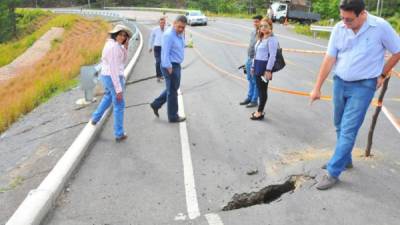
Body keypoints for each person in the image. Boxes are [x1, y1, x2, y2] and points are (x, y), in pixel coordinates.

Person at [310, 0, 400, 190]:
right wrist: (317, 87)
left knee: (349, 128)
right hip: (340, 82)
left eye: (349, 19)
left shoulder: (380, 27)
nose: (344, 23)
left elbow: (398, 50)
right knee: (339, 124)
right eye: (342, 17)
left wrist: (383, 73)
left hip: (364, 86)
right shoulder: (339, 28)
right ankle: (344, 159)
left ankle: (333, 172)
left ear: (362, 14)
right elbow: (330, 58)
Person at [91, 24, 132, 142]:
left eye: (125, 36)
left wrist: (125, 47)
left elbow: (123, 61)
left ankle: (95, 118)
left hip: (106, 76)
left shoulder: (113, 44)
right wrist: (118, 89)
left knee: (108, 97)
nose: (122, 37)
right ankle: (119, 133)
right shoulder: (114, 47)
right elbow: (114, 69)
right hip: (113, 77)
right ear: (115, 34)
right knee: (119, 104)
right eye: (120, 34)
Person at [150, 15, 188, 123]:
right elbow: (165, 53)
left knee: (172, 89)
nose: (181, 29)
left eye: (183, 27)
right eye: (179, 26)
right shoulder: (168, 35)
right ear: (174, 23)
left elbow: (180, 46)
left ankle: (156, 104)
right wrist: (168, 66)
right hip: (170, 66)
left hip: (176, 65)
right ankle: (173, 116)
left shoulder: (179, 34)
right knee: (172, 92)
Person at [250, 18, 278, 120]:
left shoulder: (272, 39)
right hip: (257, 65)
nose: (263, 28)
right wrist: (253, 66)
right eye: (261, 26)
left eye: (265, 26)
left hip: (264, 67)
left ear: (270, 26)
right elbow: (256, 53)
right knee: (259, 88)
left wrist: (268, 70)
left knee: (262, 91)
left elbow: (272, 56)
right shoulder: (261, 38)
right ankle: (259, 110)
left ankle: (259, 112)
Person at [240, 15, 262, 108]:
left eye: (257, 21)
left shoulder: (262, 33)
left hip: (256, 60)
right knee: (249, 79)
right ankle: (249, 97)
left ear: (261, 22)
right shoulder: (253, 32)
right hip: (249, 58)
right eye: (254, 21)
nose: (255, 23)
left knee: (255, 81)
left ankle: (254, 100)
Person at [149, 17, 167, 82]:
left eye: (163, 23)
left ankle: (162, 74)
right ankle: (158, 76)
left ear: (165, 23)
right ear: (159, 23)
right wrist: (150, 47)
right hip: (157, 47)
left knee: (163, 62)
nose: (162, 24)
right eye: (161, 22)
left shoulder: (167, 29)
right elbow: (151, 38)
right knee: (158, 61)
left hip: (164, 48)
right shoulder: (155, 29)